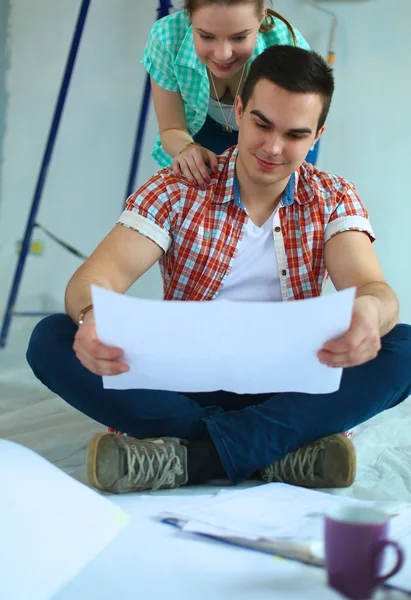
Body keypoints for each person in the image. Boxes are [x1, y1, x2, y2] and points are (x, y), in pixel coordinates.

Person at [27, 46, 411, 495]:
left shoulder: (331, 196)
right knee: (53, 337)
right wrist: (92, 319)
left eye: (294, 135)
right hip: (181, 385)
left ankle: (191, 456)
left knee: (403, 345)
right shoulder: (179, 187)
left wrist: (369, 312)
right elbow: (94, 280)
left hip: (286, 386)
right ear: (241, 111)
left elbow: (372, 287)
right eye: (262, 124)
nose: (272, 147)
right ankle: (275, 448)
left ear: (317, 135)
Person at [142, 0, 315, 186]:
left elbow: (296, 131)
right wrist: (187, 149)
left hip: (278, 136)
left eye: (239, 37)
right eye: (207, 36)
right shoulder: (167, 37)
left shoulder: (288, 46)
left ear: (260, 19)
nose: (222, 55)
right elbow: (171, 128)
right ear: (190, 18)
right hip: (203, 130)